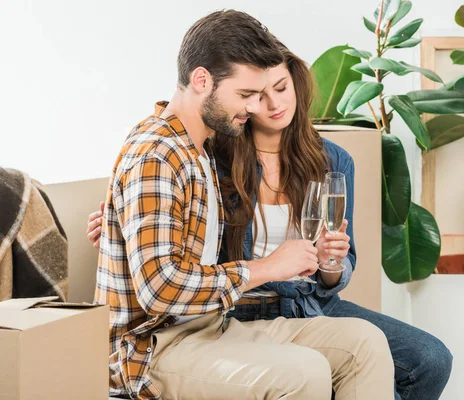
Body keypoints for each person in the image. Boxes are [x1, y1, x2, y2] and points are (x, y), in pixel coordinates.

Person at [93, 10, 395, 400]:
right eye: (246, 94)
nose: (255, 108)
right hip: (152, 349)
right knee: (304, 373)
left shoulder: (198, 147)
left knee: (364, 345)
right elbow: (159, 289)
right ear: (201, 80)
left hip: (210, 327)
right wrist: (270, 266)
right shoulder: (159, 154)